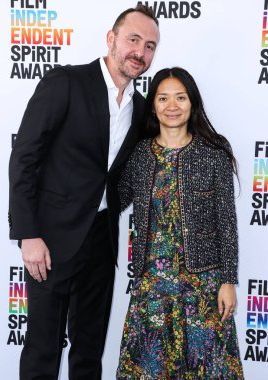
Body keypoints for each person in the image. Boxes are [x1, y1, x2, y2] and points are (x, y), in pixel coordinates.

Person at [8, 5, 160, 380]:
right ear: (111, 39)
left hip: (101, 241)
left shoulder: (141, 109)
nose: (140, 52)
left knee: (89, 352)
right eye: (133, 40)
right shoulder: (66, 82)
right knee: (43, 349)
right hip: (51, 239)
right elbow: (24, 158)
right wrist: (29, 234)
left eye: (150, 46)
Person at [117, 67, 244, 379]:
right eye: (163, 98)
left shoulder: (214, 153)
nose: (171, 106)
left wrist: (228, 280)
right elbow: (113, 201)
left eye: (180, 98)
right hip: (152, 286)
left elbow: (226, 221)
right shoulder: (139, 155)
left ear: (192, 103)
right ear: (153, 106)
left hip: (203, 285)